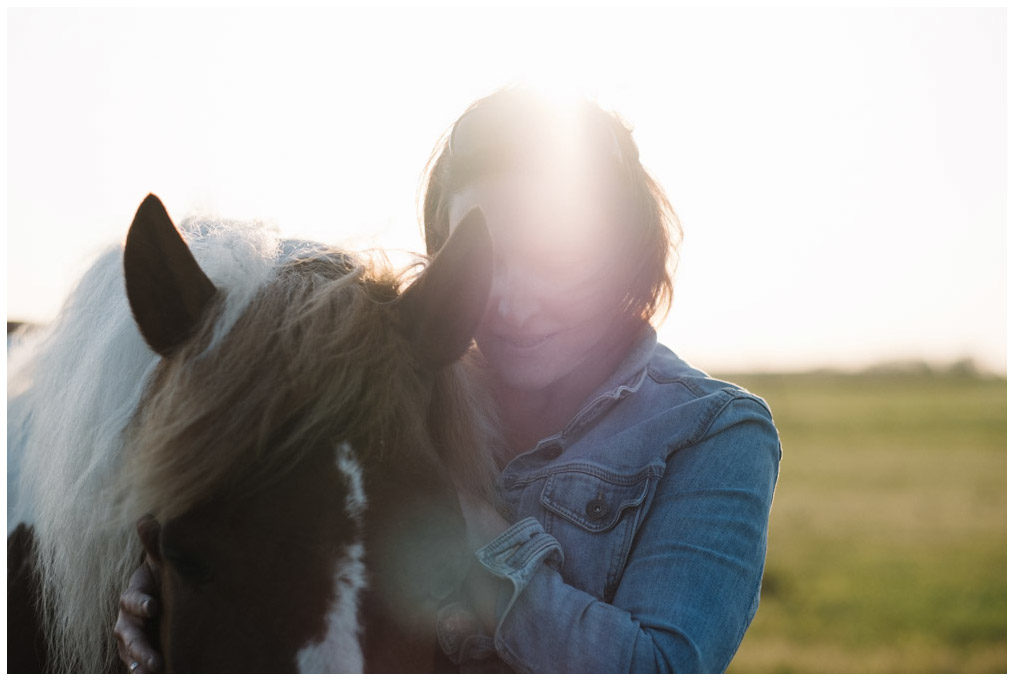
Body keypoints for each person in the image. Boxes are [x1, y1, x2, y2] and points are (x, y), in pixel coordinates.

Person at [114, 84, 782, 673]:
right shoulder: (381, 389)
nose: (515, 303)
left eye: (556, 256)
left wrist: (476, 540)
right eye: (491, 259)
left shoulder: (711, 433)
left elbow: (661, 667)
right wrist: (174, 592)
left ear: (623, 251)